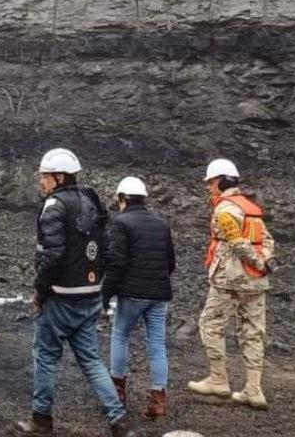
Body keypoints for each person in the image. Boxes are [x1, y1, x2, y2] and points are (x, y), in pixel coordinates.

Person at [14, 148, 136, 437]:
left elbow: (52, 255)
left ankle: (40, 420)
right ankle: (118, 422)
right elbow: (106, 251)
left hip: (61, 297)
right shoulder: (91, 202)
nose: (41, 180)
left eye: (44, 175)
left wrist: (40, 292)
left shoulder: (55, 205)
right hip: (90, 294)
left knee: (45, 356)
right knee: (91, 360)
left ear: (58, 177)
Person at [187, 158, 278, 409]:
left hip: (230, 278)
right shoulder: (251, 207)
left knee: (210, 324)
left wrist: (255, 262)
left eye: (211, 182)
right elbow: (267, 240)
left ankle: (218, 379)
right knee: (253, 332)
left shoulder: (225, 209)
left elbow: (237, 243)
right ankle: (254, 389)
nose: (208, 186)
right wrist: (266, 261)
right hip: (257, 283)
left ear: (222, 181)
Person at [103, 176, 176, 419]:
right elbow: (170, 263)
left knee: (120, 336)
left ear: (123, 198)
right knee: (156, 344)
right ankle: (158, 399)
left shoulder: (121, 223)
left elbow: (116, 262)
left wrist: (105, 294)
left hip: (132, 294)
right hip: (160, 294)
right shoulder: (161, 223)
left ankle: (118, 393)